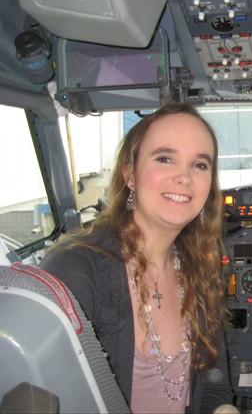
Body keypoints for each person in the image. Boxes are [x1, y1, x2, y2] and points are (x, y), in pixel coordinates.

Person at [40, 104, 235, 413]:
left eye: (199, 164)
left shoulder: (199, 268)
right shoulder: (77, 270)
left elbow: (214, 386)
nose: (184, 177)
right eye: (165, 158)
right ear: (130, 174)